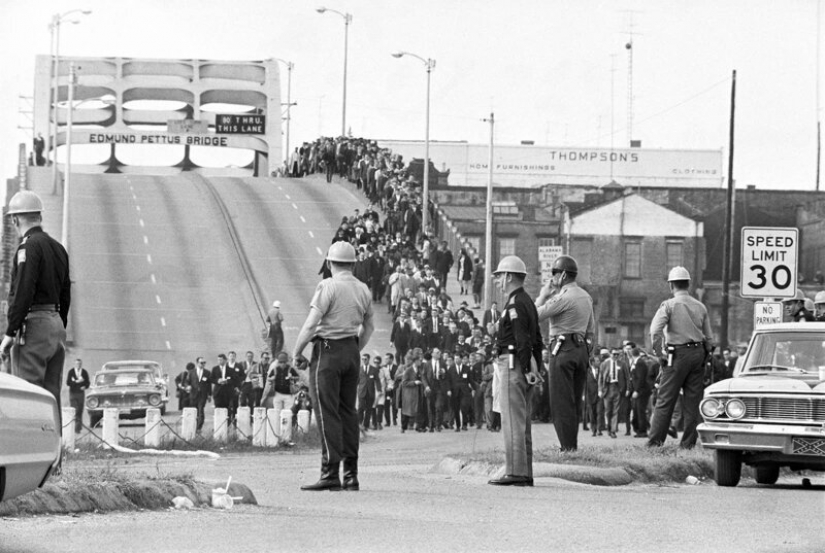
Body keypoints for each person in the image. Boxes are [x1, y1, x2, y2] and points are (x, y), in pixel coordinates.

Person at [292, 241, 374, 492]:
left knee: (327, 412)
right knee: (348, 412)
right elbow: (369, 326)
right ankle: (351, 475)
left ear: (329, 263)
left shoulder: (327, 286)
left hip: (327, 351)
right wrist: (354, 349)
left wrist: (297, 351)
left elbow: (311, 324)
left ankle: (329, 472)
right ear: (353, 264)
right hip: (351, 350)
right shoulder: (363, 289)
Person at [1, 191, 71, 423]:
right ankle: (55, 455)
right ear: (39, 216)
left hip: (34, 326)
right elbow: (65, 293)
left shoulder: (28, 248)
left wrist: (11, 332)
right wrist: (59, 324)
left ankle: (30, 455)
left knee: (27, 394)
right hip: (55, 324)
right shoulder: (58, 248)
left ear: (15, 219)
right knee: (51, 396)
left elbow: (23, 290)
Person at [488, 256, 544, 487]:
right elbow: (537, 341)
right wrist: (536, 367)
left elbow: (522, 338)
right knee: (521, 421)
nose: (498, 281)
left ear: (509, 276)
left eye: (500, 276)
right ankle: (524, 471)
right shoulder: (527, 302)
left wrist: (526, 366)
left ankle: (515, 471)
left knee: (511, 420)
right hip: (521, 364)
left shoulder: (514, 305)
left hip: (512, 364)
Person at [647, 266, 714, 449]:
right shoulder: (700, 306)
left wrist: (659, 353)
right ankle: (688, 445)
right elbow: (709, 338)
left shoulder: (668, 305)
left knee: (665, 400)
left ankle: (655, 443)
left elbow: (655, 331)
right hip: (698, 353)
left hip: (676, 355)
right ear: (689, 284)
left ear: (671, 285)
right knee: (693, 403)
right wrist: (705, 355)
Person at [535, 255, 595, 452]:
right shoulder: (586, 296)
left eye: (554, 273)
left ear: (562, 275)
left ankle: (567, 447)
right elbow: (591, 331)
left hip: (562, 349)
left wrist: (544, 294)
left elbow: (535, 315)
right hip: (581, 349)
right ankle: (572, 445)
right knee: (574, 400)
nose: (553, 278)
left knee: (561, 402)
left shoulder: (563, 297)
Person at [185, 357, 212, 433]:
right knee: (194, 411)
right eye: (201, 363)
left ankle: (199, 427)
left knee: (201, 410)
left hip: (202, 395)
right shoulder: (191, 372)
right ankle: (192, 426)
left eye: (204, 363)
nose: (203, 364)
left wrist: (209, 395)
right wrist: (188, 386)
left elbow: (209, 384)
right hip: (193, 394)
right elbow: (187, 381)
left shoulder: (207, 372)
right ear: (197, 363)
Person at [66, 358, 90, 433]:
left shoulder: (84, 372)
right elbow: (68, 383)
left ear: (81, 364)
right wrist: (77, 381)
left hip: (80, 393)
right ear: (74, 364)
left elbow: (88, 383)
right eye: (76, 364)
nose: (78, 365)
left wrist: (85, 386)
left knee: (79, 410)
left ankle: (78, 428)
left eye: (79, 364)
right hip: (73, 393)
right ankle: (73, 427)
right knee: (74, 409)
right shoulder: (71, 372)